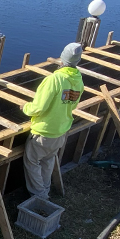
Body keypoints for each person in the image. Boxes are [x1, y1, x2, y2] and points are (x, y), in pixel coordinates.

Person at [22, 43, 84, 200]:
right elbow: (72, 105)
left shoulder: (54, 80)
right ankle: (46, 189)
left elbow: (38, 107)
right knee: (48, 161)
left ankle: (39, 196)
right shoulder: (78, 80)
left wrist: (25, 108)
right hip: (60, 131)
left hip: (44, 131)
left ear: (62, 58)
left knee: (32, 162)